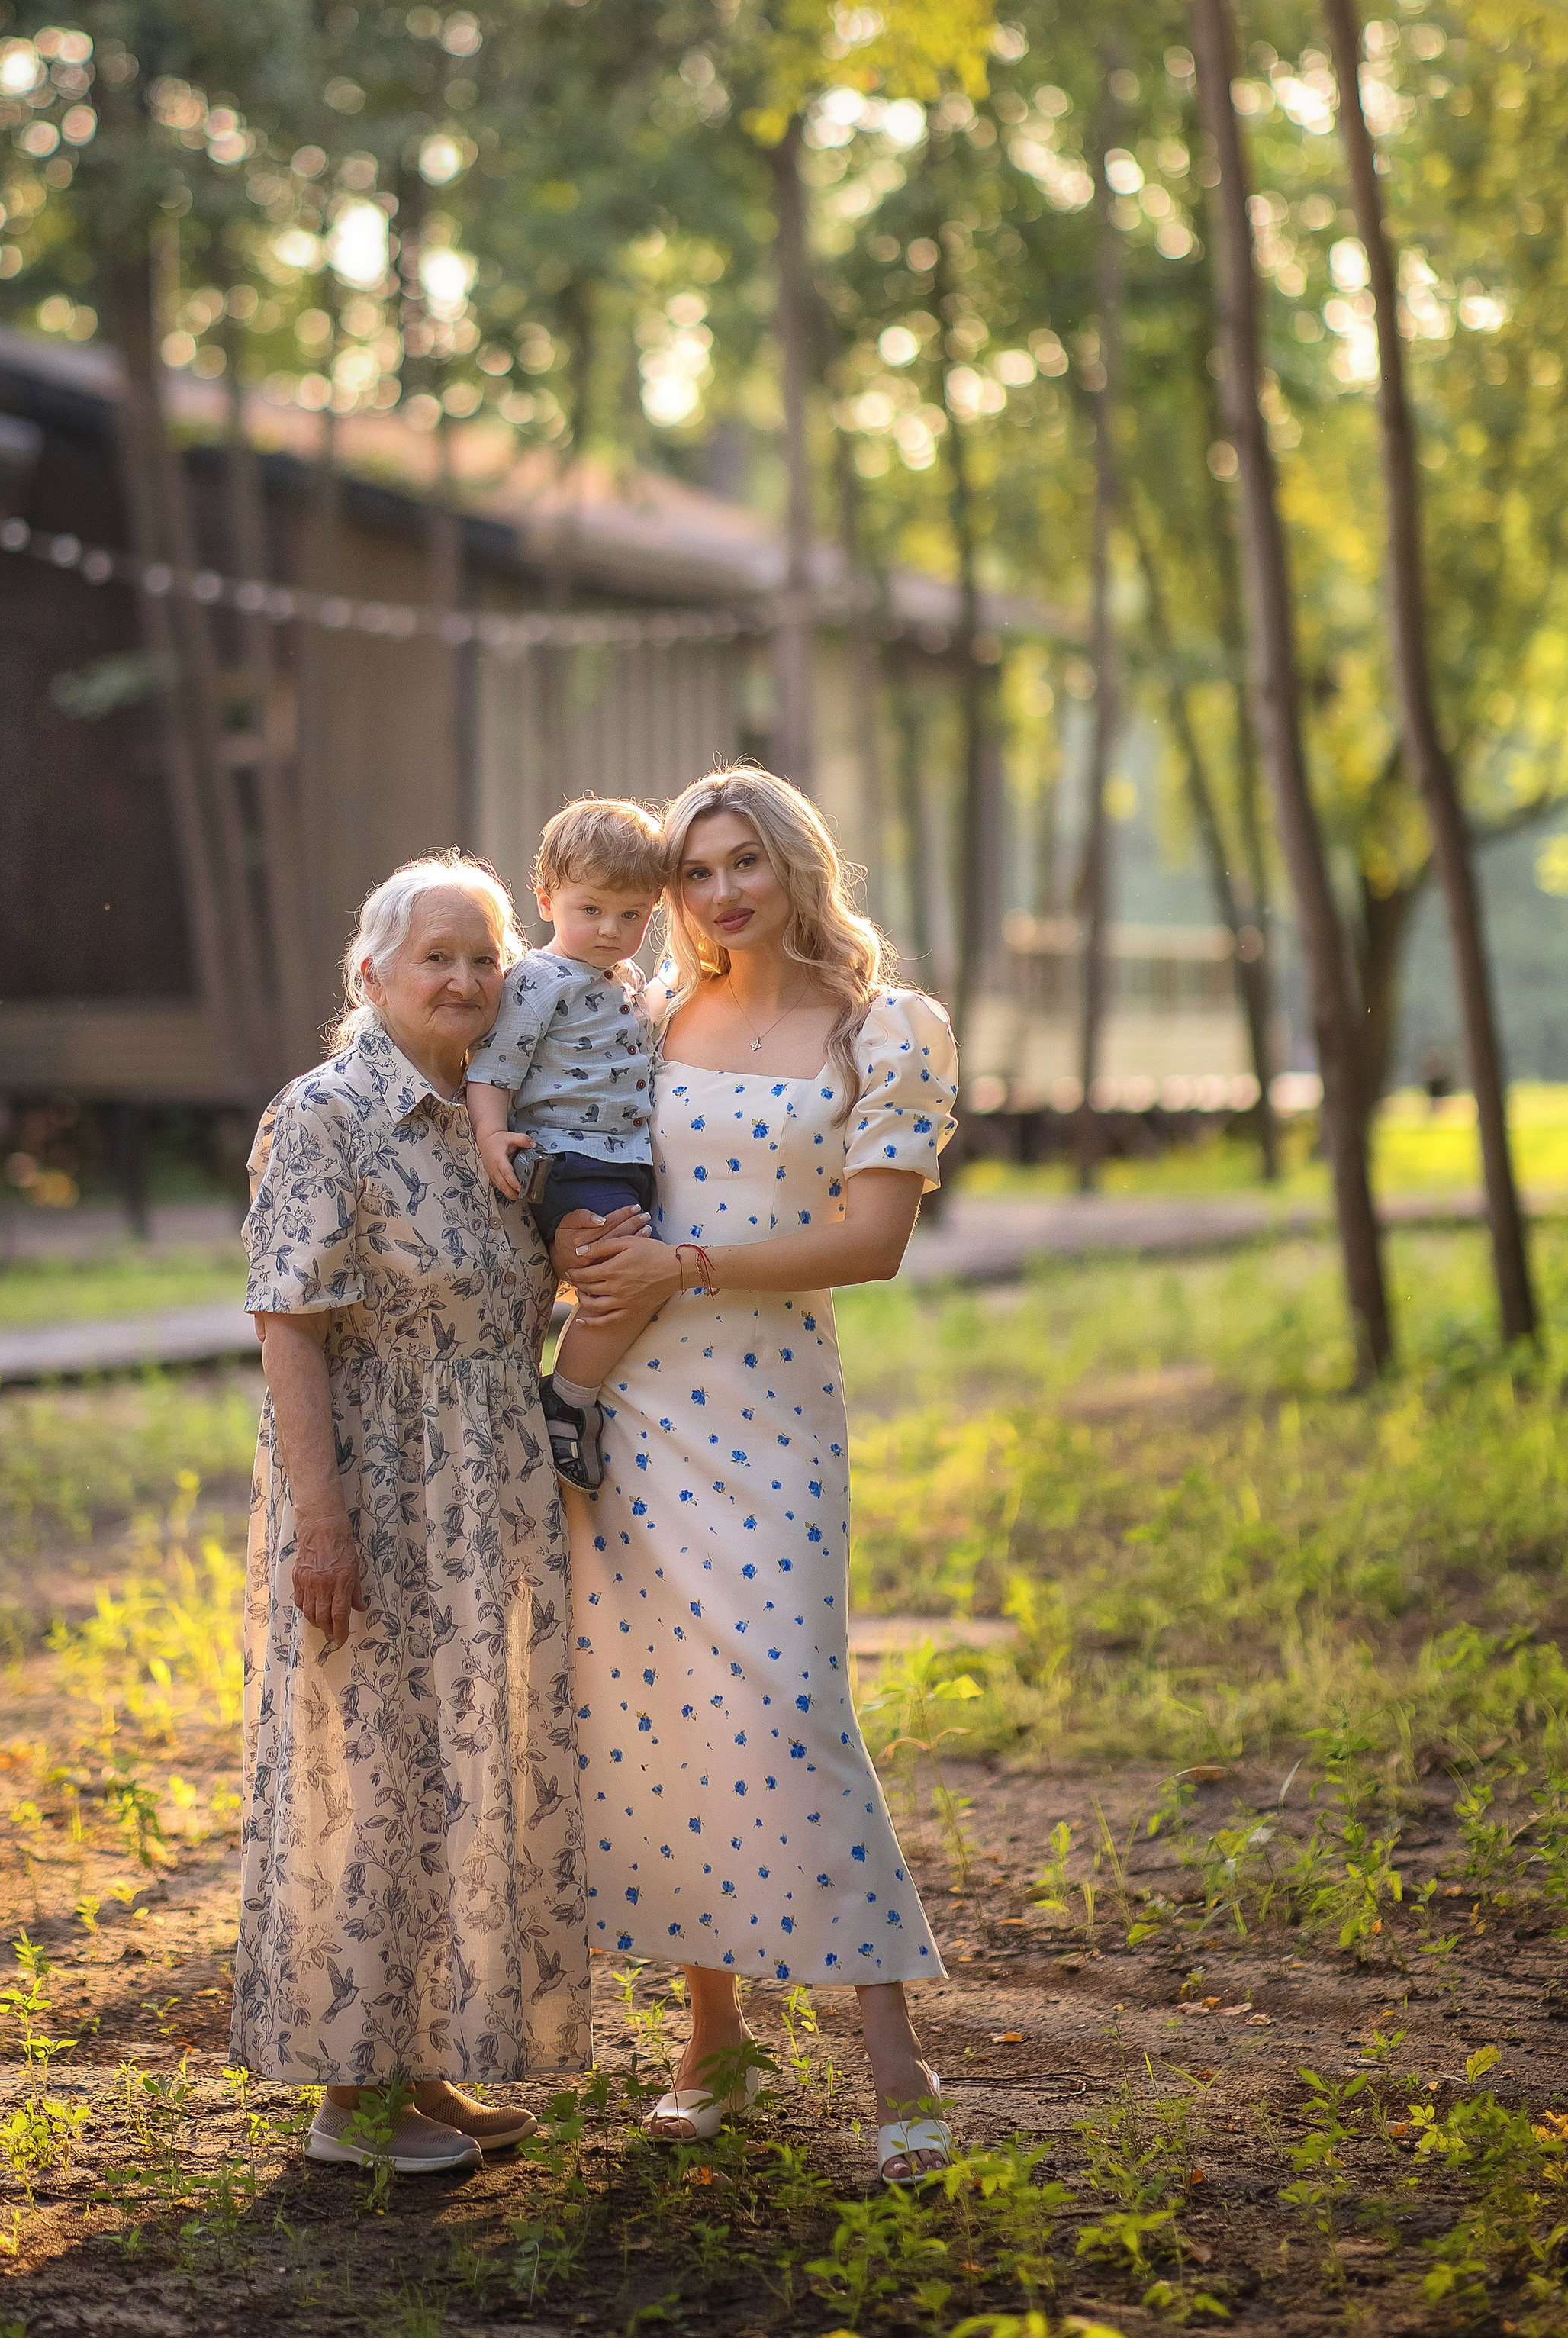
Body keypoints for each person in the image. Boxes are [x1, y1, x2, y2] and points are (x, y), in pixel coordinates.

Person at [554, 768, 960, 2185]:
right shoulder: (652, 1017)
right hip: (638, 1400)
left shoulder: (882, 1026)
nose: (722, 893)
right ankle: (710, 2038)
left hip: (775, 1410)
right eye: (698, 872)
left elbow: (873, 1243)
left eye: (746, 864)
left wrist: (695, 1262)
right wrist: (594, 1258)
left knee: (793, 1708)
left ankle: (894, 2056)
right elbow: (602, 1188)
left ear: (798, 865)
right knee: (662, 1715)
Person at [233, 854, 589, 2176]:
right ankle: (348, 2103)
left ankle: (419, 2062)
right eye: (434, 955)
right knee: (365, 1777)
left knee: (457, 1775)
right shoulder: (327, 1112)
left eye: (484, 956)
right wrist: (321, 1525)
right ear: (370, 974)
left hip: (487, 1489)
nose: (462, 977)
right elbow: (288, 1325)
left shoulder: (495, 1124)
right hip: (375, 1487)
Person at [466, 796, 669, 1493]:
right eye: (592, 910)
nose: (612, 930)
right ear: (547, 899)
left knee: (632, 1283)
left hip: (625, 1160)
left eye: (633, 915)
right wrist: (492, 1135)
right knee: (619, 1291)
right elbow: (494, 1069)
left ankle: (579, 1395)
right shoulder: (537, 981)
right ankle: (567, 1401)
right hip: (574, 1161)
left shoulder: (624, 981)